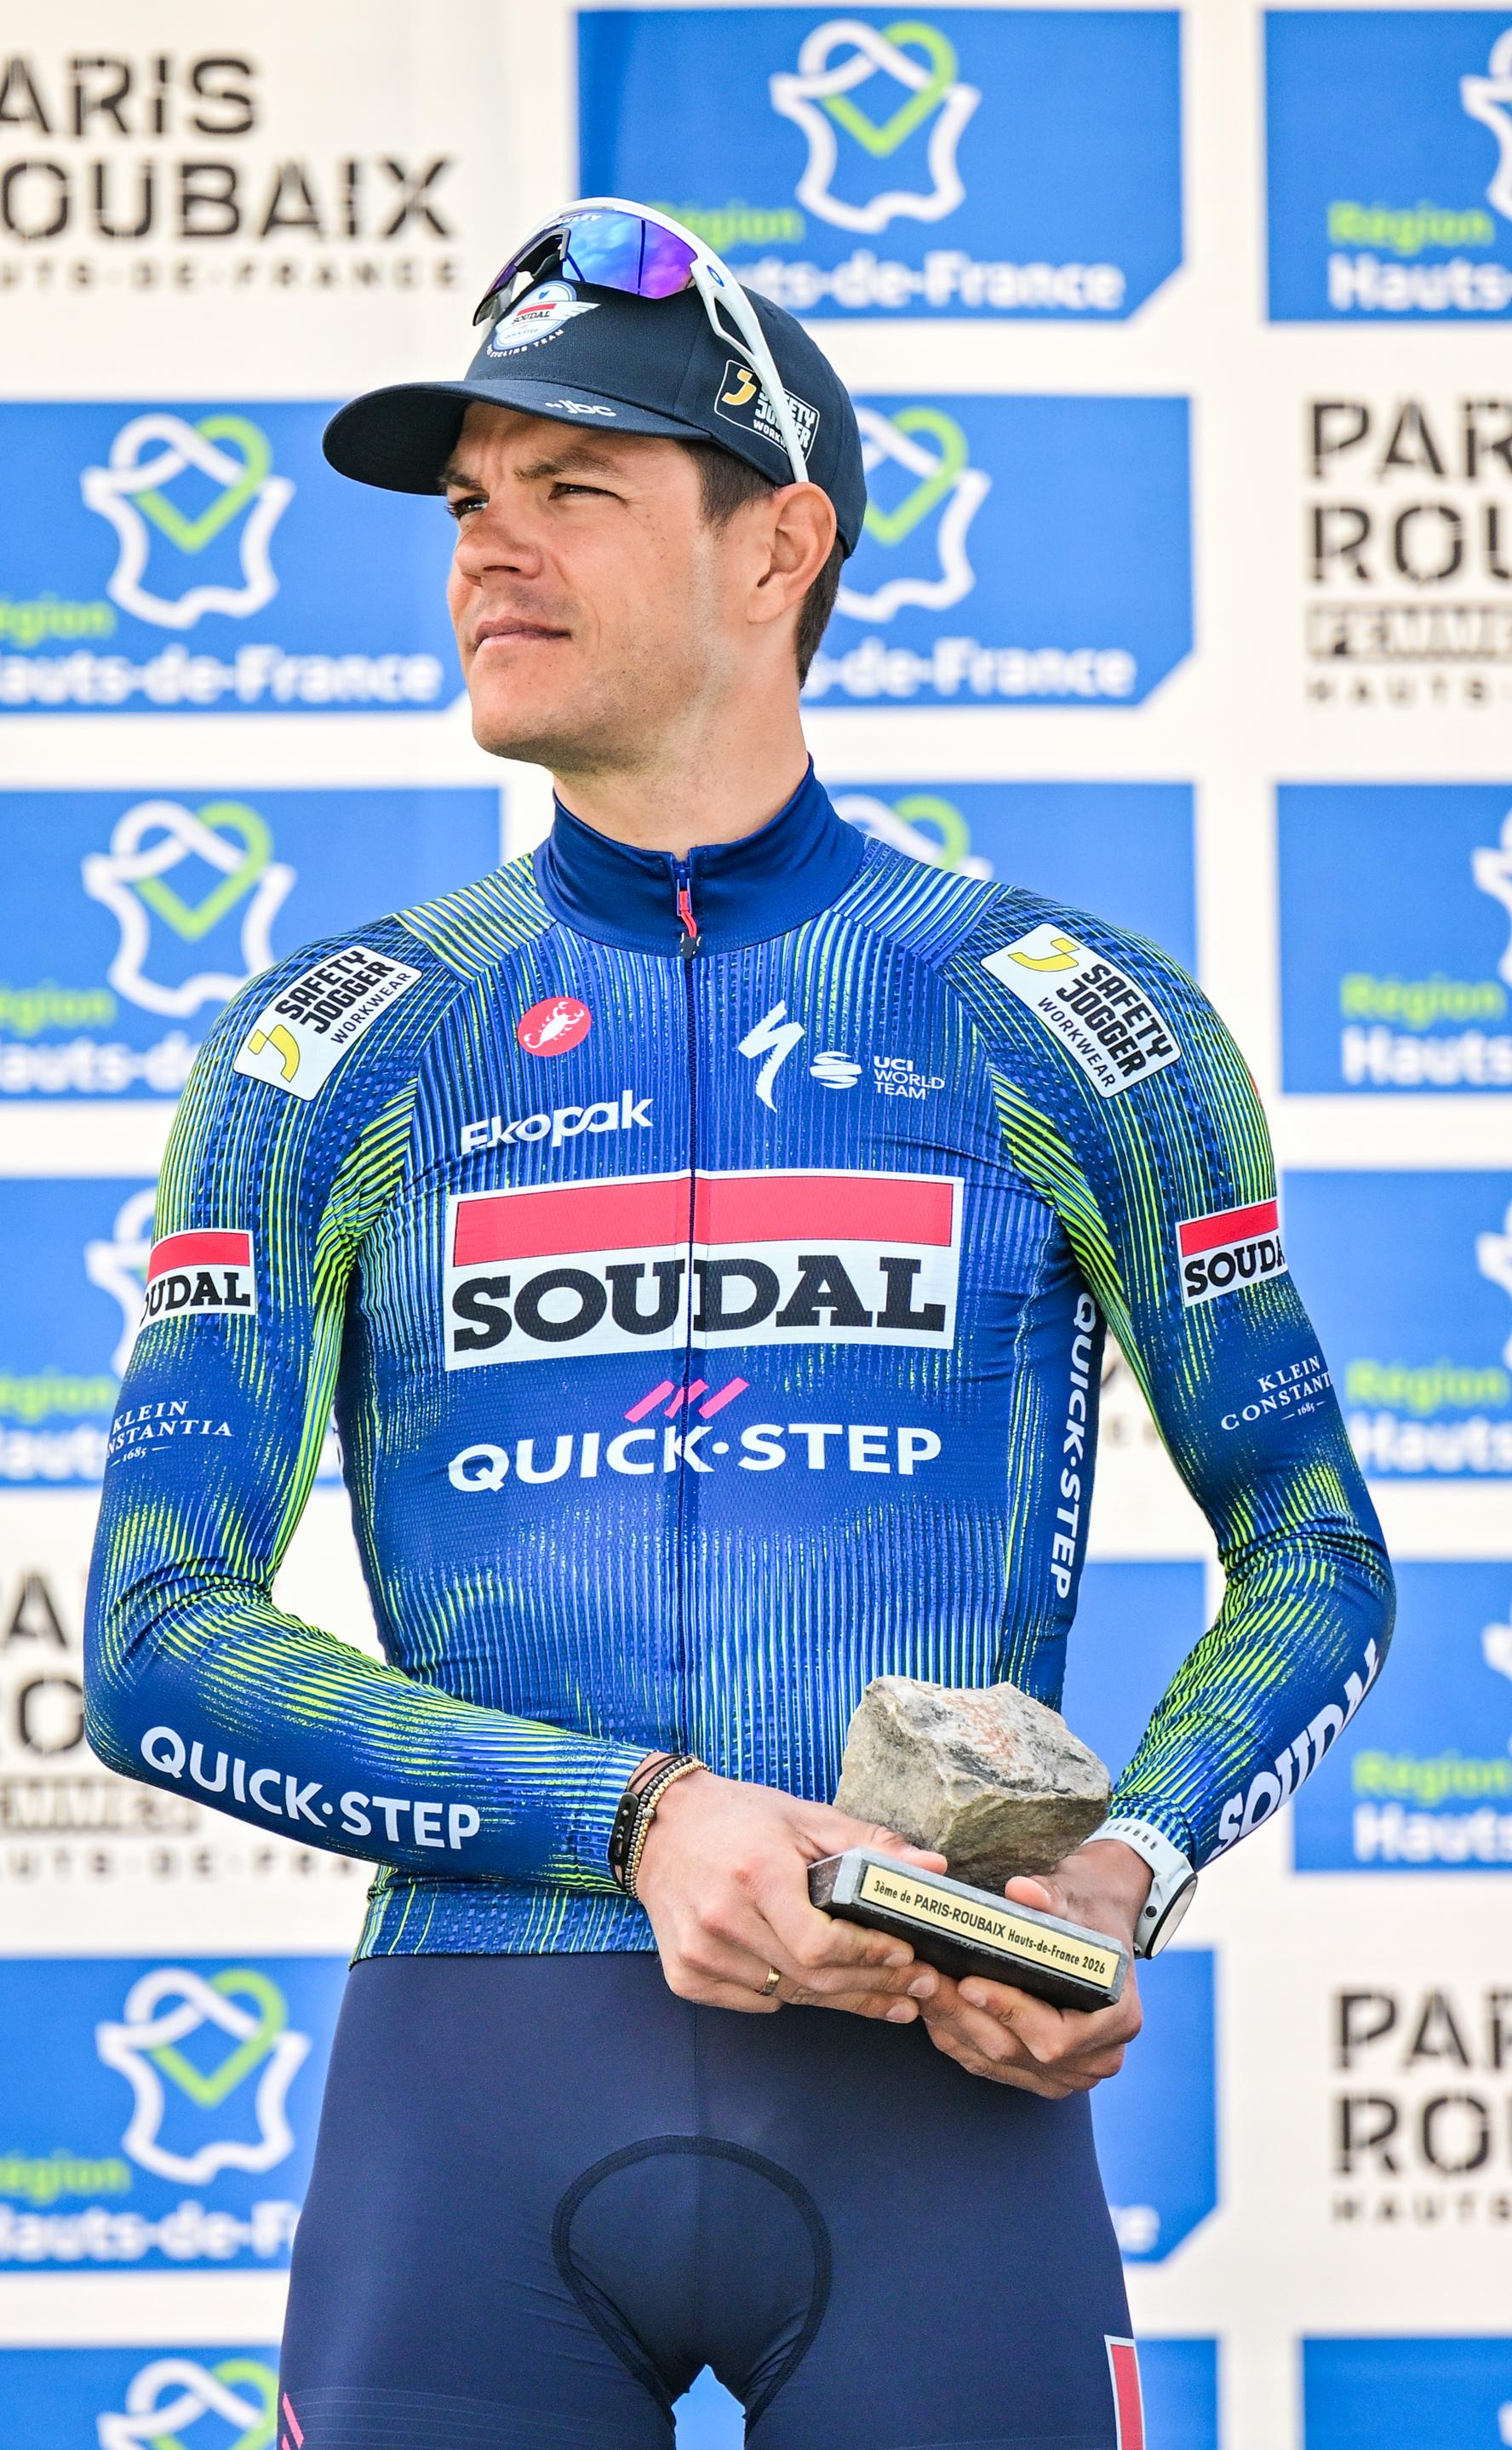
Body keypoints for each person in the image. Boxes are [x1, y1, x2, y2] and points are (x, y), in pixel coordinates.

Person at [85, 203, 1395, 2450]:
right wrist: (641, 1819)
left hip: (937, 2091)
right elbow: (148, 1640)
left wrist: (1123, 1868)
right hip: (472, 2106)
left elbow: (1317, 1550)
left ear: (781, 545)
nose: (490, 550)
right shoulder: (337, 1049)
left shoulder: (1067, 1022)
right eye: (468, 501)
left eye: (573, 487)